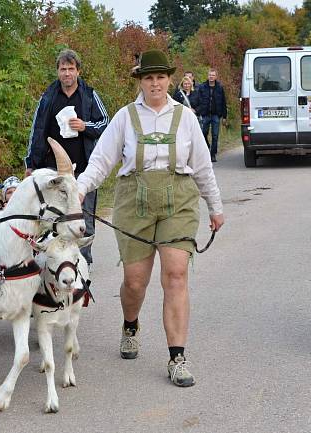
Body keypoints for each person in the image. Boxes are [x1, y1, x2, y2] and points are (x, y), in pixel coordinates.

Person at [76, 49, 224, 387]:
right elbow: (100, 161)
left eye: (160, 77)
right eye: (148, 77)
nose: (155, 83)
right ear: (140, 81)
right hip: (134, 203)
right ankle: (130, 324)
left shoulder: (185, 117)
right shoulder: (125, 117)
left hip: (179, 203)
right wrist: (80, 188)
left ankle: (177, 357)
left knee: (175, 275)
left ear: (169, 80)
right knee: (135, 282)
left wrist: (215, 207)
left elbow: (202, 166)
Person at [26, 49, 109, 264]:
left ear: (78, 71)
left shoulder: (90, 95)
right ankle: (56, 263)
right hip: (53, 170)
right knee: (54, 217)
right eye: (63, 69)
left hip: (84, 169)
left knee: (85, 216)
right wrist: (31, 164)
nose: (67, 74)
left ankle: (83, 263)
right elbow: (36, 130)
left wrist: (85, 126)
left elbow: (105, 123)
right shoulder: (48, 97)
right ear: (57, 72)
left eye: (71, 69)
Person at [196, 68, 227, 162]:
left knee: (215, 135)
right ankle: (207, 146)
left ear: (216, 76)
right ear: (207, 76)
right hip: (205, 114)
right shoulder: (202, 87)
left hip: (216, 115)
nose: (211, 77)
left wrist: (224, 116)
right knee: (203, 133)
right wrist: (199, 111)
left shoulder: (220, 87)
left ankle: (213, 154)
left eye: (213, 75)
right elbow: (198, 100)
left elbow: (223, 102)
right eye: (210, 75)